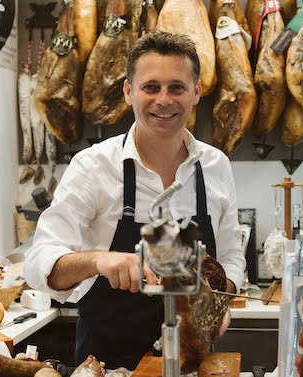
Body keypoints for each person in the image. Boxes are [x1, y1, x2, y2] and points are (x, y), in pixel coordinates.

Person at [24, 30, 246, 371]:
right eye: (150, 87)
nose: (164, 99)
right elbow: (40, 264)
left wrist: (217, 302)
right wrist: (100, 260)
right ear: (129, 92)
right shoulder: (94, 166)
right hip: (106, 364)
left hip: (193, 362)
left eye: (177, 87)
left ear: (196, 92)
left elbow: (231, 255)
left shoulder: (215, 166)